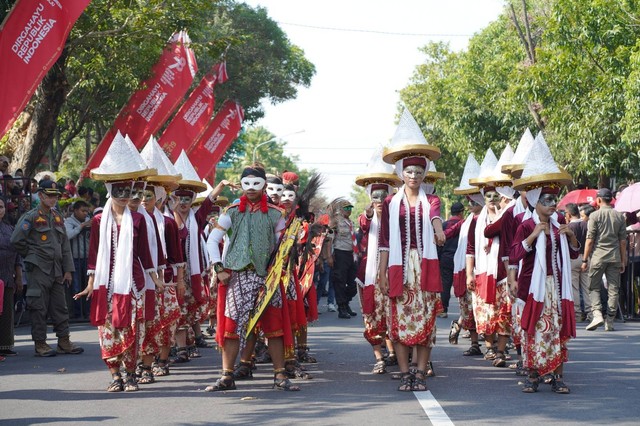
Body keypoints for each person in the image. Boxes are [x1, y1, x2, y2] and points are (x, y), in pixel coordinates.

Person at [206, 164, 300, 392]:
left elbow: (282, 247)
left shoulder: (277, 215)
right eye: (246, 183)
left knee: (274, 326)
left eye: (256, 184)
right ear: (241, 184)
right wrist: (219, 268)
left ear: (264, 186)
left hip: (267, 277)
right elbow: (212, 240)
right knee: (231, 326)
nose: (250, 188)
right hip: (237, 276)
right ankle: (227, 375)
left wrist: (280, 268)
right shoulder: (231, 212)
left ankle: (279, 375)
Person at [11, 180, 83, 357]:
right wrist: (32, 255)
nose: (53, 199)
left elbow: (64, 245)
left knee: (60, 307)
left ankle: (64, 341)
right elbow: (16, 240)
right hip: (38, 269)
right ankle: (40, 343)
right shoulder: (31, 217)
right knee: (38, 307)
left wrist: (68, 270)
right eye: (49, 195)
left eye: (55, 196)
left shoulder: (57, 216)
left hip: (57, 269)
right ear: (41, 195)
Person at [583, 188, 627, 331]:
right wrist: (623, 260)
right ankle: (610, 320)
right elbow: (623, 242)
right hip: (614, 257)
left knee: (593, 286)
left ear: (599, 199)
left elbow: (590, 240)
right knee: (614, 289)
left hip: (598, 257)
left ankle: (597, 314)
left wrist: (584, 259)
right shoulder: (619, 216)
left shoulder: (594, 216)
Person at [0, 198, 23, 357]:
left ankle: (5, 345)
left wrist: (19, 276)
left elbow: (17, 254)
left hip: (8, 276)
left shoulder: (9, 228)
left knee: (7, 311)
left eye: (0, 207)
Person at [329, 198, 358, 319]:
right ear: (340, 210)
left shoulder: (350, 222)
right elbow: (329, 239)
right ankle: (342, 307)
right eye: (346, 208)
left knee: (353, 283)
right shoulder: (335, 221)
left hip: (351, 254)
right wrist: (329, 256)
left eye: (350, 208)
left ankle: (346, 303)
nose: (349, 211)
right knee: (340, 282)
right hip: (340, 253)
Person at [64, 200, 91, 319]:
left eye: (86, 211)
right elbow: (68, 235)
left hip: (87, 258)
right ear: (75, 211)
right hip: (74, 258)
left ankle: (88, 312)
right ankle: (77, 313)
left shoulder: (89, 220)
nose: (85, 213)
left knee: (88, 285)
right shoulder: (68, 222)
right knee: (76, 286)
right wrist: (82, 226)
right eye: (82, 211)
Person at [565, 203, 590, 322]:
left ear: (569, 214)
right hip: (586, 257)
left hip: (573, 258)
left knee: (574, 287)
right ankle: (591, 313)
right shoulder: (586, 224)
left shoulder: (568, 227)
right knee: (587, 287)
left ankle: (577, 314)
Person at [439, 202, 465, 318]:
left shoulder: (444, 225)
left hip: (446, 258)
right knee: (461, 284)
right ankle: (464, 313)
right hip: (460, 259)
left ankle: (443, 309)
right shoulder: (464, 225)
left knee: (445, 284)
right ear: (461, 212)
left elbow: (439, 244)